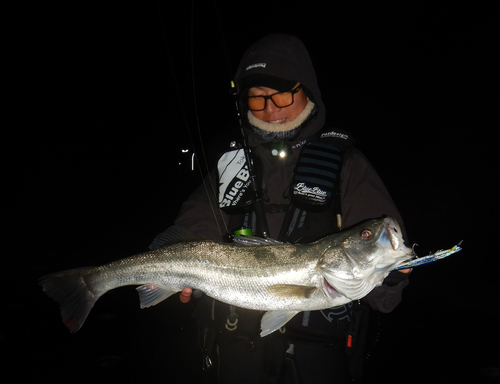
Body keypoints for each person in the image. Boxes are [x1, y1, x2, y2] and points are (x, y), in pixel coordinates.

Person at [151, 33, 410, 383]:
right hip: (234, 352)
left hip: (319, 358)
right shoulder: (231, 164)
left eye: (282, 95)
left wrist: (391, 277)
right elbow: (194, 226)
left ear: (307, 92)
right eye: (257, 100)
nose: (270, 110)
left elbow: (385, 295)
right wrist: (179, 270)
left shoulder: (347, 164)